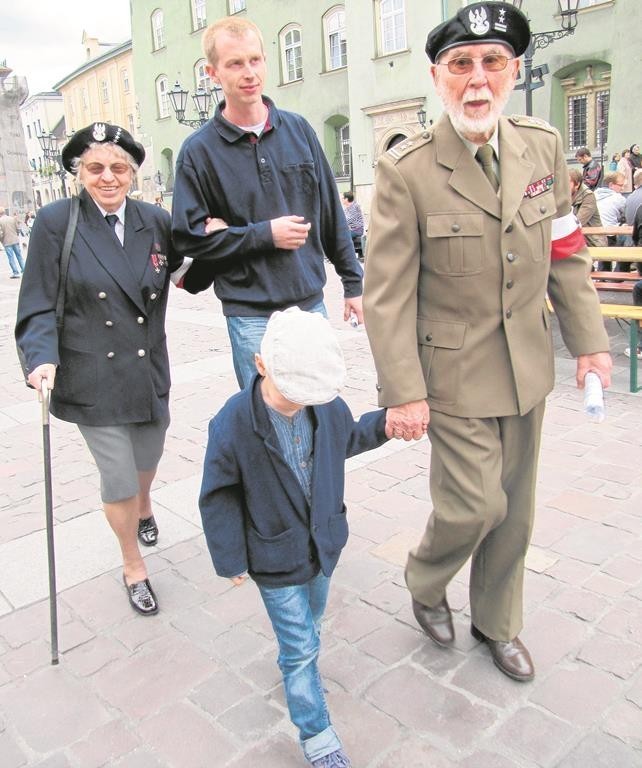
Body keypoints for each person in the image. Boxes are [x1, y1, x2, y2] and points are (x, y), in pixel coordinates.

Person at [363, 1, 612, 682]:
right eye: (461, 65)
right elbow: (386, 292)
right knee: (475, 503)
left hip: (527, 364)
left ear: (514, 70)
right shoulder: (406, 169)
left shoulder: (540, 146)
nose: (478, 80)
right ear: (438, 77)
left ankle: (497, 623)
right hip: (451, 372)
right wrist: (403, 392)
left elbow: (564, 249)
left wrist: (589, 342)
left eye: (492, 63)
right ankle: (424, 576)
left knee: (515, 511)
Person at [15, 123, 213, 617]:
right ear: (78, 172)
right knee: (119, 476)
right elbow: (37, 301)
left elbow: (187, 276)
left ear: (133, 174)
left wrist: (215, 244)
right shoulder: (56, 222)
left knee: (148, 457)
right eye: (95, 167)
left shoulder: (155, 220)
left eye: (118, 168)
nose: (108, 177)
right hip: (90, 373)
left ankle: (145, 506)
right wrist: (40, 357)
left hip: (147, 367)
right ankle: (133, 566)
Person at [199, 307, 391, 767]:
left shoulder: (324, 404)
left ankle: (296, 661)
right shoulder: (233, 421)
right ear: (260, 365)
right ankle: (316, 733)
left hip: (323, 544)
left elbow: (350, 438)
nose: (301, 402)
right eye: (292, 393)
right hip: (273, 553)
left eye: (310, 394)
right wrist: (230, 558)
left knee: (314, 616)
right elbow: (218, 493)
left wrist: (385, 425)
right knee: (301, 644)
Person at [172, 17, 363, 389]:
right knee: (266, 421)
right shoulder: (198, 152)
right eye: (235, 64)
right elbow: (189, 238)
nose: (249, 73)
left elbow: (329, 214)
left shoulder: (298, 130)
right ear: (213, 74)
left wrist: (353, 284)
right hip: (250, 313)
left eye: (255, 60)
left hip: (310, 305)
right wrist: (263, 235)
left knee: (320, 410)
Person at [595, 171, 627, 271]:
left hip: (596, 234)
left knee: (603, 256)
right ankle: (619, 273)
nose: (622, 188)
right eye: (620, 185)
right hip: (610, 234)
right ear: (611, 185)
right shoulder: (618, 198)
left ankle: (603, 275)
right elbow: (626, 214)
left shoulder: (594, 194)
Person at [568, 168, 607, 248]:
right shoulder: (564, 196)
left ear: (577, 184)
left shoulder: (588, 196)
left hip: (593, 241)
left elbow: (578, 221)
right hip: (576, 240)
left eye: (567, 183)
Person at [0, 206, 25, 278]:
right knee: (19, 256)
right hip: (15, 240)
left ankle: (16, 272)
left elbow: (0, 233)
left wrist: (1, 240)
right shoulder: (12, 219)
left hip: (7, 242)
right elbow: (18, 229)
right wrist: (16, 235)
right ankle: (24, 269)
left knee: (11, 258)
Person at [341, 191, 364, 257]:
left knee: (343, 235)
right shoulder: (347, 208)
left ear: (346, 199)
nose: (341, 199)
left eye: (343, 198)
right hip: (351, 229)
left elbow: (347, 220)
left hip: (357, 230)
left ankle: (347, 255)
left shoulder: (355, 207)